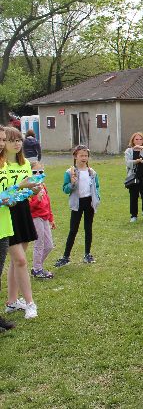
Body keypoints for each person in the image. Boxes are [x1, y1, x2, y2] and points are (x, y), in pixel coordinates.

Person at [3, 126, 39, 319]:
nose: (16, 144)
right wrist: (19, 186)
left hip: (22, 211)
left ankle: (12, 301)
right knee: (21, 260)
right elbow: (3, 195)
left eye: (19, 140)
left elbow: (26, 191)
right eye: (11, 140)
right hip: (6, 214)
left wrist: (33, 190)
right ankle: (30, 303)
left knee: (17, 260)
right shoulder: (2, 166)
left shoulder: (24, 164)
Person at [55, 145, 101, 267]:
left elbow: (96, 186)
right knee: (73, 230)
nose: (84, 158)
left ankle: (87, 254)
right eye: (81, 155)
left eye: (86, 155)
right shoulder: (70, 172)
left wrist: (97, 197)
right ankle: (66, 256)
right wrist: (72, 183)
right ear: (75, 156)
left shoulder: (92, 172)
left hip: (89, 202)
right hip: (77, 203)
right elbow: (65, 189)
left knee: (88, 228)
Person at [0, 127, 18, 332]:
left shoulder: (3, 164)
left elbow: (5, 191)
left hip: (4, 226)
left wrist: (16, 193)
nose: (1, 143)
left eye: (3, 139)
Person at [28, 161, 56, 279]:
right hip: (36, 218)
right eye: (34, 172)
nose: (38, 174)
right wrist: (37, 200)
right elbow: (29, 208)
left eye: (41, 171)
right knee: (39, 243)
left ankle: (36, 266)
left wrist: (51, 218)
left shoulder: (43, 186)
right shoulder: (28, 188)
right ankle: (37, 269)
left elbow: (48, 203)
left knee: (49, 245)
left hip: (45, 218)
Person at [125, 132, 143, 222]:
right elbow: (128, 163)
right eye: (136, 139)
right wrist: (136, 161)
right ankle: (133, 216)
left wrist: (142, 148)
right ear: (133, 140)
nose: (138, 141)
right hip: (133, 177)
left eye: (140, 139)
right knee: (133, 196)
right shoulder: (129, 151)